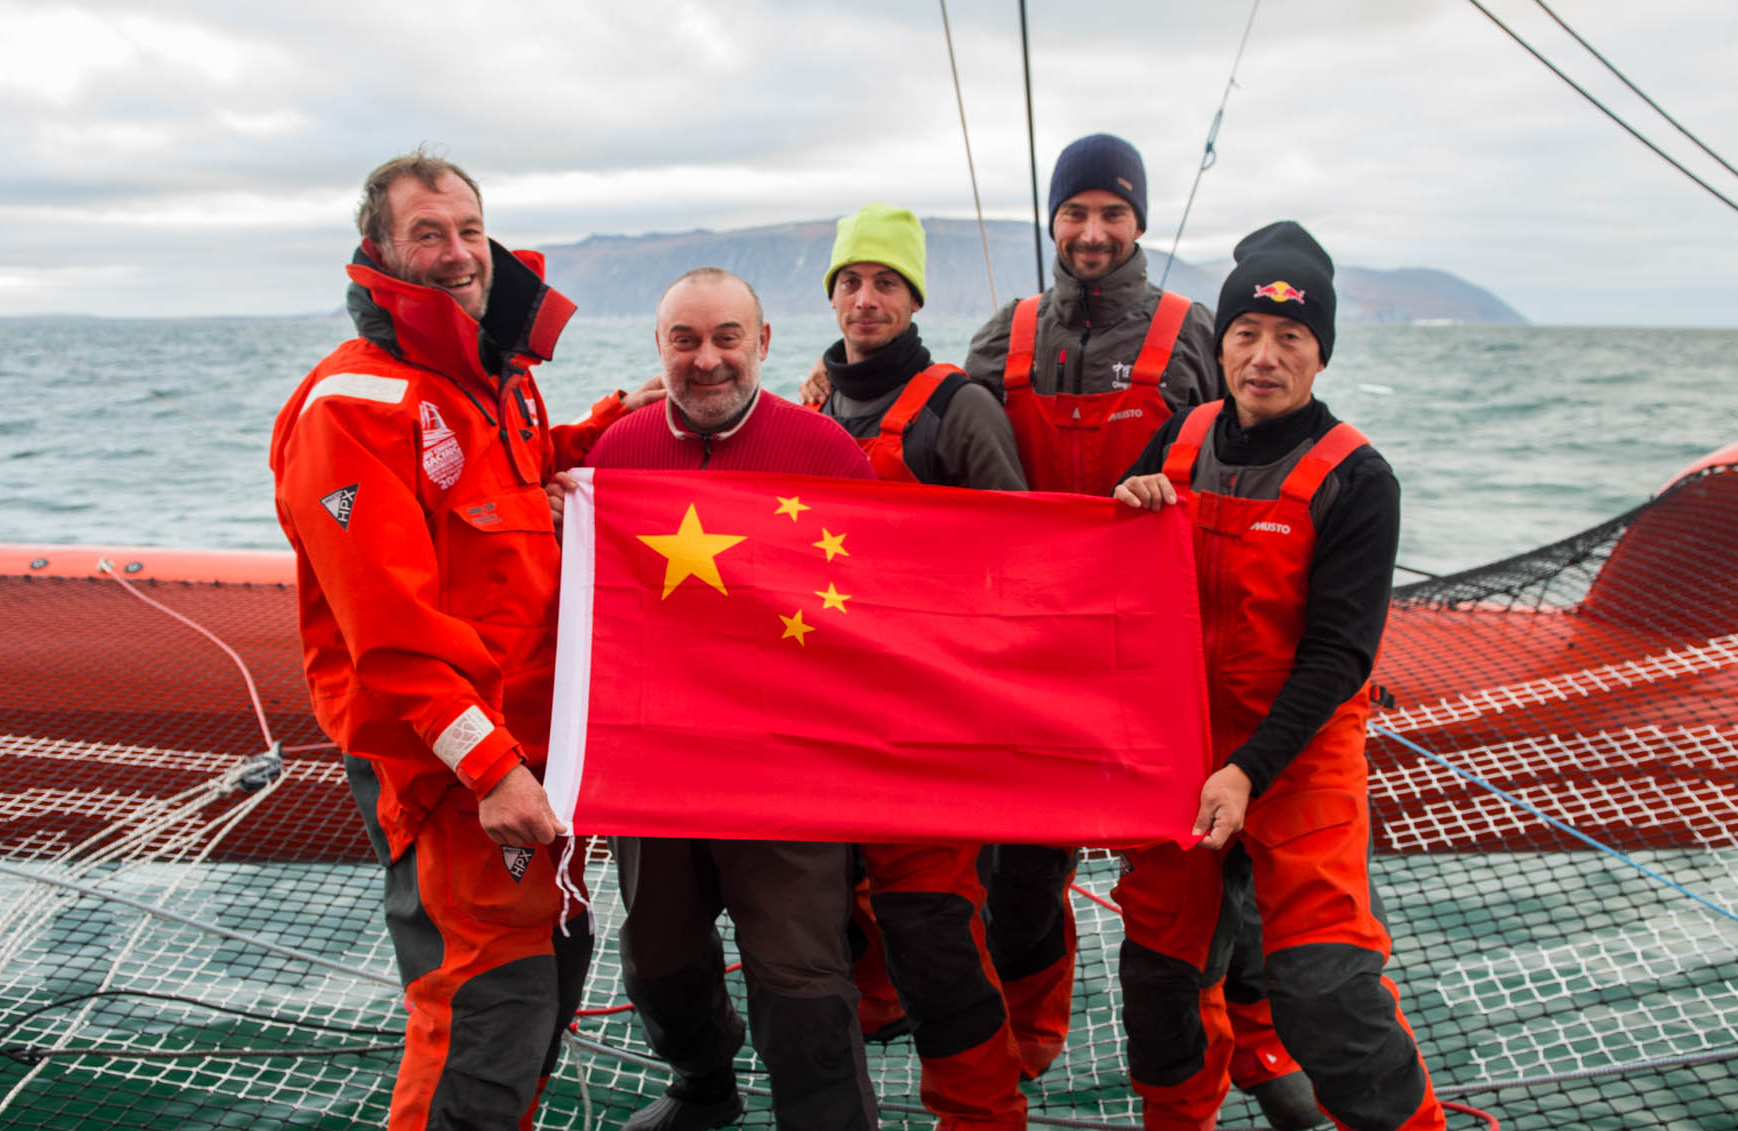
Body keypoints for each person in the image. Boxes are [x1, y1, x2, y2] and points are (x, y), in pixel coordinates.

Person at [270, 149, 650, 1130]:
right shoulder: (351, 410)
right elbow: (387, 638)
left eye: (467, 231)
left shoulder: (496, 376)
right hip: (452, 766)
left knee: (548, 983)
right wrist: (490, 772)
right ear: (380, 252)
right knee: (487, 1009)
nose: (454, 254)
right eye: (426, 234)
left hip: (535, 744)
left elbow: (507, 486)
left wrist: (605, 428)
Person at [1112, 221, 1448, 1131]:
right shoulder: (1175, 443)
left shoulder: (1357, 477)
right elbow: (1109, 590)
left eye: (1291, 339)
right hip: (1181, 751)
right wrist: (1127, 503)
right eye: (1246, 334)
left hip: (1297, 757)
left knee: (1324, 988)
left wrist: (1249, 769)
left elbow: (1341, 657)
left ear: (1321, 355)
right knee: (1159, 980)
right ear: (1219, 344)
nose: (1264, 357)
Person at [580, 268, 881, 1131]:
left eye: (726, 338)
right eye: (685, 340)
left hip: (786, 763)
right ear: (659, 348)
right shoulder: (618, 454)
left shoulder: (826, 455)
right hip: (657, 759)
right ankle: (703, 1085)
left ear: (763, 344)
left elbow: (880, 601)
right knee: (659, 954)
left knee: (798, 970)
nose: (706, 360)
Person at [962, 132, 1225, 1088]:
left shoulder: (1197, 333)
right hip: (1033, 644)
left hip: (1157, 649)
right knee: (1017, 874)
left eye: (1112, 213)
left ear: (1139, 222)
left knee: (1179, 873)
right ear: (1054, 222)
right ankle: (1029, 1036)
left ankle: (1214, 1046)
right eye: (1075, 213)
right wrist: (828, 388)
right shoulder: (1006, 333)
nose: (1092, 231)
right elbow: (938, 439)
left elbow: (1247, 463)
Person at [816, 204, 1028, 1129]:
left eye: (887, 284)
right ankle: (867, 1026)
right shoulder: (811, 400)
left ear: (913, 299)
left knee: (932, 923)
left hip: (931, 712)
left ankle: (983, 1112)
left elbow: (1022, 546)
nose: (867, 301)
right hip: (825, 703)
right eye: (851, 282)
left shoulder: (957, 406)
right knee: (829, 906)